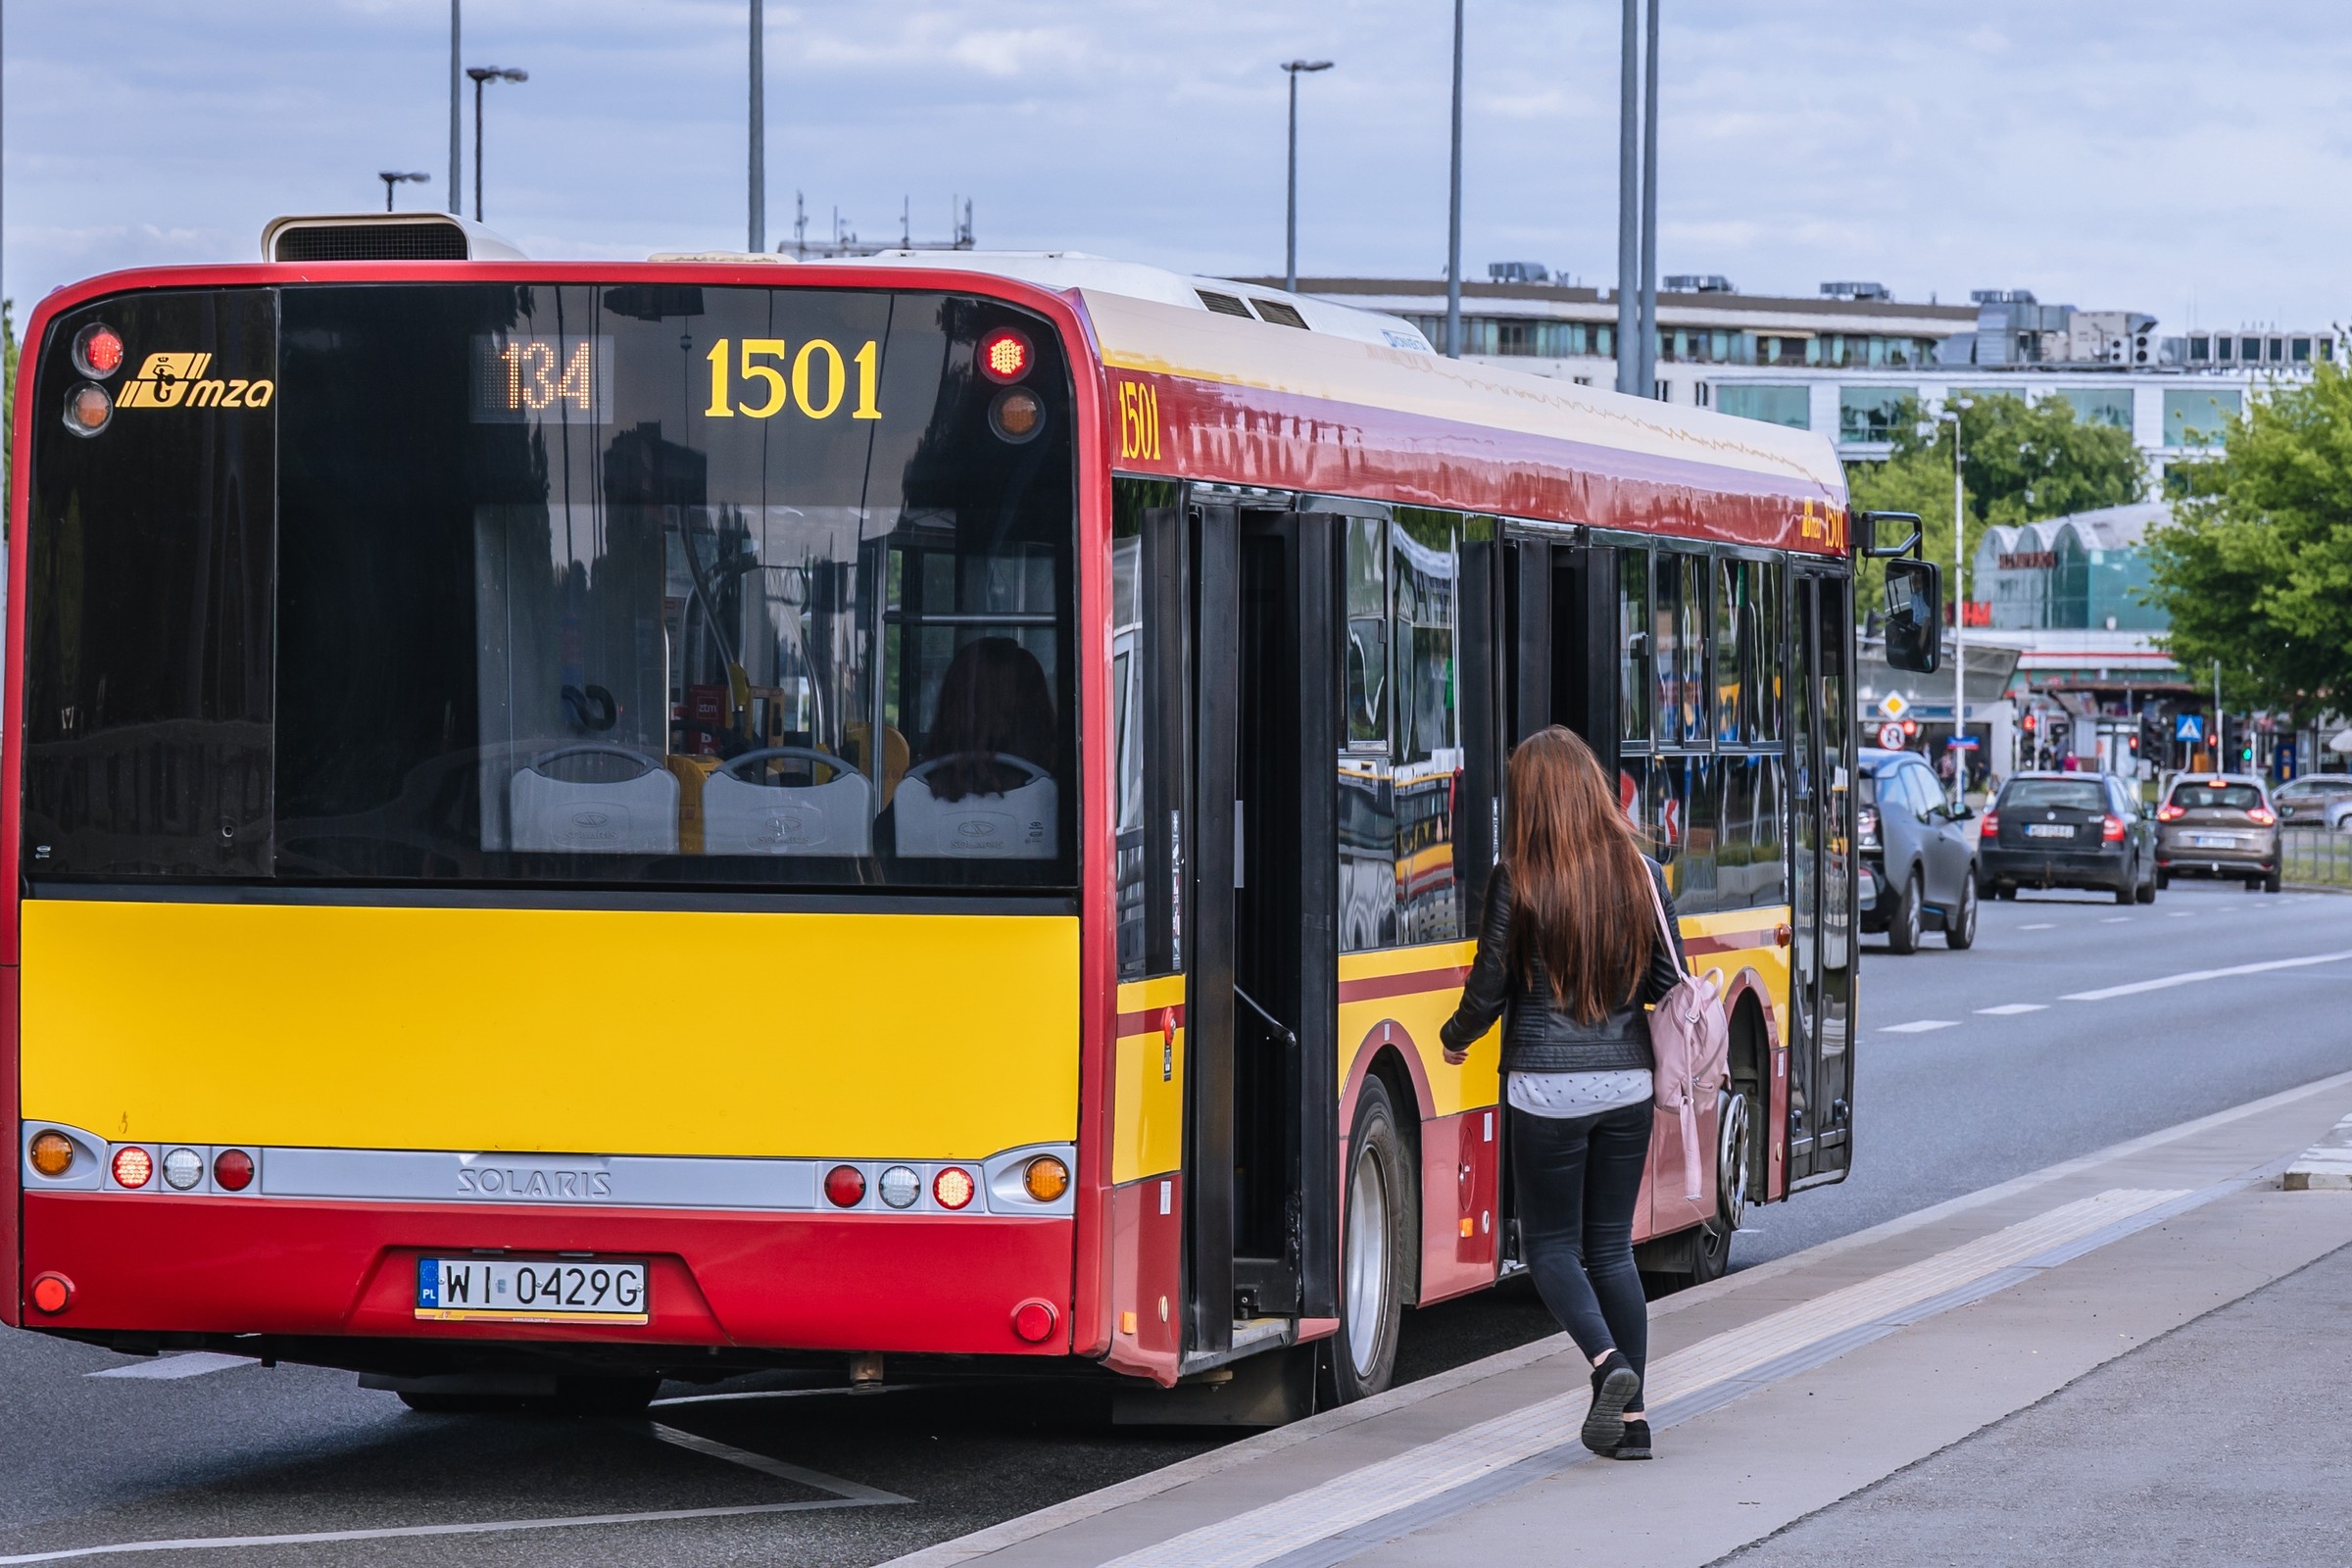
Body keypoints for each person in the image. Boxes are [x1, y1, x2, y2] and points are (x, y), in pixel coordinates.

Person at [1441, 726, 1686, 1462]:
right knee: (1611, 1248)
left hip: (1544, 1090)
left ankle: (1607, 1363)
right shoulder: (1641, 873)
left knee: (1546, 1245)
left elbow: (1488, 987)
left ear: (1530, 798)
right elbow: (1668, 985)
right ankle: (1634, 1424)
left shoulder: (1518, 875)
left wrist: (1456, 1036)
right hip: (1627, 1082)